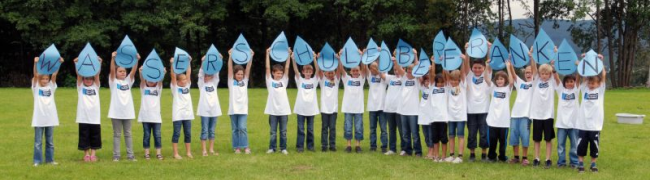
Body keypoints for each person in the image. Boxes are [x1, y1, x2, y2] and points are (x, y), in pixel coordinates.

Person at [576, 54, 606, 173]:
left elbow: (603, 75)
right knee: (581, 145)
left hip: (595, 125)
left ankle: (593, 164)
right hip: (583, 124)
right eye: (589, 83)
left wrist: (600, 61)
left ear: (599, 84)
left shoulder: (600, 90)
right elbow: (582, 74)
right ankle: (581, 164)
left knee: (594, 145)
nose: (591, 85)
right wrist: (584, 60)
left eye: (593, 83)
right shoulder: (584, 89)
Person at [507, 51, 538, 166]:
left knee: (525, 136)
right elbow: (514, 75)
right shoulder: (520, 83)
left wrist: (531, 58)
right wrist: (510, 65)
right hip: (515, 114)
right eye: (527, 72)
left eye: (530, 72)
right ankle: (516, 157)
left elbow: (535, 70)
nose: (528, 74)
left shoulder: (534, 84)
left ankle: (525, 157)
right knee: (514, 136)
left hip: (526, 115)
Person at [31, 57, 63, 166]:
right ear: (39, 80)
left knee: (50, 141)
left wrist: (58, 63)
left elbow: (54, 75)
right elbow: (35, 75)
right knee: (38, 142)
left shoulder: (51, 87)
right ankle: (37, 161)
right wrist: (35, 64)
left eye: (46, 79)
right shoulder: (36, 88)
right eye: (43, 79)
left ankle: (50, 160)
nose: (45, 80)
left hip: (50, 118)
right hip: (39, 118)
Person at [108, 51, 139, 162]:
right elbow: (111, 70)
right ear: (116, 73)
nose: (123, 73)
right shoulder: (113, 81)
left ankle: (130, 155)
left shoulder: (128, 82)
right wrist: (113, 59)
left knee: (128, 134)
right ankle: (116, 155)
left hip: (127, 112)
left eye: (124, 71)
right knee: (117, 134)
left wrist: (136, 60)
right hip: (116, 112)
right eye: (120, 71)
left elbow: (133, 71)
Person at [530, 56, 558, 168]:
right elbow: (533, 68)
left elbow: (555, 76)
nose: (544, 75)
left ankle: (548, 159)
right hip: (537, 115)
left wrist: (554, 62)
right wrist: (532, 57)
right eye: (542, 73)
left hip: (548, 115)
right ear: (539, 74)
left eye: (547, 74)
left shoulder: (552, 82)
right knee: (537, 139)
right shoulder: (536, 80)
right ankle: (536, 158)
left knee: (548, 139)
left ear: (550, 75)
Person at [465, 43, 491, 162]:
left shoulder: (487, 75)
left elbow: (489, 62)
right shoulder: (469, 76)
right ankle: (472, 154)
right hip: (471, 110)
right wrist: (466, 51)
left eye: (479, 68)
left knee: (484, 133)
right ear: (472, 68)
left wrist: (489, 49)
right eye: (475, 67)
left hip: (484, 110)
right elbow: (466, 64)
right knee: (472, 133)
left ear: (484, 68)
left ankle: (484, 155)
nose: (477, 69)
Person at [74, 56, 103, 162]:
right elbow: (78, 74)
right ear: (83, 79)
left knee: (95, 135)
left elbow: (97, 74)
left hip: (95, 117)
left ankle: (93, 154)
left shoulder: (96, 86)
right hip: (83, 117)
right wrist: (77, 64)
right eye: (86, 78)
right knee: (84, 136)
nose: (89, 80)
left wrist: (99, 63)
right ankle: (86, 154)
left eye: (90, 78)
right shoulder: (80, 87)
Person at [485, 59, 514, 162]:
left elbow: (511, 82)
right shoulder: (493, 89)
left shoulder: (507, 89)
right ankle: (491, 156)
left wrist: (508, 68)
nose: (499, 81)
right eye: (497, 79)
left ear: (505, 80)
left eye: (501, 79)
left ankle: (502, 157)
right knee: (492, 141)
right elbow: (487, 79)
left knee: (503, 141)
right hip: (493, 121)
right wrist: (487, 65)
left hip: (504, 122)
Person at [394, 51, 423, 157]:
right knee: (405, 133)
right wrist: (397, 56)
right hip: (403, 110)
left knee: (415, 133)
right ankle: (407, 150)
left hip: (414, 111)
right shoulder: (404, 77)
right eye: (409, 69)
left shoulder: (417, 80)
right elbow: (397, 66)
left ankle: (418, 151)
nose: (410, 71)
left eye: (412, 70)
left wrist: (416, 55)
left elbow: (418, 66)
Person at [265, 48, 292, 155]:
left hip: (284, 111)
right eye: (277, 73)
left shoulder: (284, 81)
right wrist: (267, 54)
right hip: (272, 111)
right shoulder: (269, 81)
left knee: (283, 131)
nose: (279, 75)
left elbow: (287, 67)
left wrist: (289, 55)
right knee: (273, 132)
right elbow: (267, 67)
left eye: (281, 73)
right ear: (273, 73)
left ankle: (283, 148)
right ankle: (272, 148)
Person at [339, 49, 366, 153]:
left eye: (357, 70)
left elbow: (364, 69)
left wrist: (362, 56)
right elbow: (341, 69)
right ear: (350, 71)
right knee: (348, 127)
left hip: (358, 108)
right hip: (348, 108)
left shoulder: (361, 79)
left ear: (359, 72)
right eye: (353, 71)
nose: (355, 72)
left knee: (359, 127)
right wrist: (341, 56)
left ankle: (358, 146)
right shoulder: (347, 79)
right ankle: (349, 146)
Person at [227, 49, 254, 154]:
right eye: (238, 74)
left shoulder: (245, 81)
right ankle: (236, 147)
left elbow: (248, 68)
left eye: (241, 74)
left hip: (243, 109)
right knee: (235, 129)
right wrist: (230, 56)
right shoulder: (231, 81)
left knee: (242, 128)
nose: (240, 76)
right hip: (233, 110)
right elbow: (229, 68)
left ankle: (245, 146)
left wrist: (250, 56)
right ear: (234, 75)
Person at [292, 50, 319, 152]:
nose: (308, 73)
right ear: (303, 72)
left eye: (309, 72)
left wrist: (314, 58)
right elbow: (295, 70)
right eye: (306, 71)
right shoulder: (300, 80)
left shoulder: (314, 80)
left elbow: (318, 69)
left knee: (310, 129)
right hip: (300, 108)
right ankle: (300, 146)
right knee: (301, 129)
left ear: (311, 72)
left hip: (311, 109)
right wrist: (293, 59)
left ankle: (310, 146)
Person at [446, 54, 470, 163]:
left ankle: (459, 156)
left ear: (459, 79)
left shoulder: (463, 85)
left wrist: (463, 61)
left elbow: (464, 73)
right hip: (450, 116)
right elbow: (446, 73)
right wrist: (443, 62)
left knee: (460, 135)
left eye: (455, 80)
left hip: (460, 116)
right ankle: (451, 155)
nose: (453, 82)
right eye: (452, 80)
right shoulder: (449, 87)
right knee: (451, 135)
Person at [137, 66, 166, 160]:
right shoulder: (143, 88)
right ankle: (147, 153)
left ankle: (158, 153)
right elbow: (141, 80)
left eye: (153, 80)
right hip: (145, 117)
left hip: (156, 117)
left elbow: (161, 81)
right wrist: (141, 72)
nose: (151, 81)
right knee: (146, 135)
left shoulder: (158, 89)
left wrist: (163, 73)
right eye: (149, 80)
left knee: (157, 135)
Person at [197, 55, 223, 156]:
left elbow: (217, 71)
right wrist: (203, 61)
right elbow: (201, 72)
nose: (208, 77)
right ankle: (204, 150)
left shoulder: (214, 83)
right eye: (206, 75)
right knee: (204, 130)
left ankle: (211, 149)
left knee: (212, 130)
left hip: (214, 110)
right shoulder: (201, 84)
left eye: (209, 75)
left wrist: (219, 58)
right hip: (204, 110)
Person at [553, 69, 580, 168]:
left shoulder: (576, 91)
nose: (569, 83)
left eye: (571, 81)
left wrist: (578, 66)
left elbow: (578, 79)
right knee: (560, 145)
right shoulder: (561, 91)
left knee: (574, 145)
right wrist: (553, 68)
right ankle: (561, 162)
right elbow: (556, 78)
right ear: (564, 83)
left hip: (574, 124)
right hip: (561, 124)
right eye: (567, 82)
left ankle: (574, 162)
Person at [170, 57, 194, 159]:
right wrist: (172, 64)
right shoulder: (175, 88)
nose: (185, 81)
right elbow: (173, 76)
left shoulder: (187, 86)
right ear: (179, 81)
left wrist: (189, 62)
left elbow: (188, 73)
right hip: (178, 114)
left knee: (188, 133)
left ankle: (188, 152)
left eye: (185, 79)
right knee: (177, 133)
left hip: (187, 114)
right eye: (183, 79)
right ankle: (176, 153)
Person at [315, 53, 340, 152]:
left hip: (334, 109)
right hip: (325, 109)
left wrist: (339, 60)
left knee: (333, 128)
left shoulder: (337, 80)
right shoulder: (322, 80)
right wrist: (319, 59)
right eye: (328, 73)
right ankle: (324, 145)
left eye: (332, 73)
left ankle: (332, 145)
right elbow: (319, 69)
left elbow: (339, 71)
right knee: (324, 127)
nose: (330, 74)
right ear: (325, 73)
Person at [366, 60, 388, 153]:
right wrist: (364, 55)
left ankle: (384, 146)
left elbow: (384, 76)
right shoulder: (369, 76)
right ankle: (373, 146)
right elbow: (364, 66)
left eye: (374, 68)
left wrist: (378, 70)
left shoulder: (383, 75)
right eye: (371, 68)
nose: (372, 70)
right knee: (372, 128)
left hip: (382, 107)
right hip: (372, 107)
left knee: (383, 129)